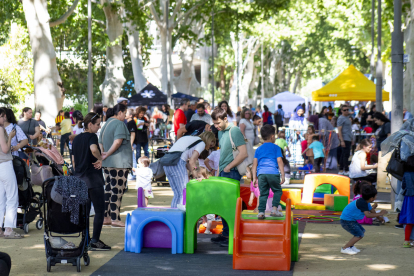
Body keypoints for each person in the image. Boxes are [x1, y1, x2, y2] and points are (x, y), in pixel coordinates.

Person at [71, 112, 111, 250]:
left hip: (80, 179)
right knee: (99, 211)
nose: (99, 127)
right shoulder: (92, 136)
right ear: (90, 124)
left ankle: (86, 239)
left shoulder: (76, 139)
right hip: (93, 179)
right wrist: (100, 159)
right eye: (98, 124)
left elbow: (74, 161)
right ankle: (94, 240)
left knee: (85, 212)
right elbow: (94, 150)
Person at [211, 106, 247, 247]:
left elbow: (243, 153)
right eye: (214, 123)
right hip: (223, 172)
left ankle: (232, 236)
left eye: (218, 123)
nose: (216, 126)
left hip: (232, 172)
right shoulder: (220, 133)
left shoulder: (235, 130)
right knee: (222, 205)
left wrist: (228, 167)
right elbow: (223, 153)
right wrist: (220, 170)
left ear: (225, 119)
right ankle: (226, 233)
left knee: (230, 205)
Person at [99, 104, 133, 228]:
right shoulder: (119, 124)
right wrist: (108, 153)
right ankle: (115, 218)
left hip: (107, 163)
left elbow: (100, 142)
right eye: (124, 113)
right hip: (119, 163)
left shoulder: (105, 124)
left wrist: (104, 154)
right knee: (117, 191)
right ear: (119, 112)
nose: (125, 116)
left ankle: (106, 217)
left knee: (108, 190)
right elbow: (118, 142)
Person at [163, 132, 216, 208]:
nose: (208, 148)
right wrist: (196, 174)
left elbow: (188, 162)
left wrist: (194, 170)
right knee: (184, 192)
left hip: (167, 162)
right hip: (178, 162)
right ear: (208, 140)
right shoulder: (201, 143)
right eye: (210, 145)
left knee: (177, 193)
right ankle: (181, 215)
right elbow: (192, 161)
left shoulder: (189, 138)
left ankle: (174, 214)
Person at [340, 185, 387, 255]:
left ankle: (350, 247)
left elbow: (372, 211)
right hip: (346, 220)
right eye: (375, 196)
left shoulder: (365, 202)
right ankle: (345, 248)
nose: (376, 197)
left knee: (361, 231)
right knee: (359, 234)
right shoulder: (362, 202)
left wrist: (380, 218)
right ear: (371, 198)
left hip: (350, 220)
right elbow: (368, 215)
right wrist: (380, 213)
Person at [251, 124, 285, 219]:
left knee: (263, 193)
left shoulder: (258, 149)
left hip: (261, 174)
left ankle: (261, 212)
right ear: (272, 136)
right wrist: (283, 174)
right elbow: (279, 161)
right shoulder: (276, 148)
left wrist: (254, 178)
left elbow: (254, 165)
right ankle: (274, 209)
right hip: (273, 173)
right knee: (277, 191)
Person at [0, 108, 22, 239]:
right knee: (12, 196)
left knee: (0, 198)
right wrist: (11, 138)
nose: (4, 119)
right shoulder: (1, 129)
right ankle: (9, 228)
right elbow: (5, 149)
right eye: (2, 117)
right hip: (5, 164)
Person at [399, 171, 414, 247]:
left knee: (409, 220)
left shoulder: (406, 173)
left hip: (409, 197)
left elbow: (403, 186)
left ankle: (407, 241)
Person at [337, 105, 352, 175]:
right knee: (346, 154)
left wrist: (352, 139)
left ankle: (341, 169)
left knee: (344, 154)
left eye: (347, 110)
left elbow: (349, 130)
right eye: (345, 110)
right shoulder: (341, 118)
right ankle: (345, 170)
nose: (346, 111)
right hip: (344, 138)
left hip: (348, 138)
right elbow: (339, 130)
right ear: (342, 111)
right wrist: (342, 140)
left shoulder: (347, 118)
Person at [126, 109, 138, 180]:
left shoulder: (131, 123)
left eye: (126, 113)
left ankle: (134, 175)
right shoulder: (128, 122)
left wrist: (131, 144)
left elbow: (133, 134)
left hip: (131, 144)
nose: (125, 114)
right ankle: (132, 174)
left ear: (130, 115)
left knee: (132, 159)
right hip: (130, 143)